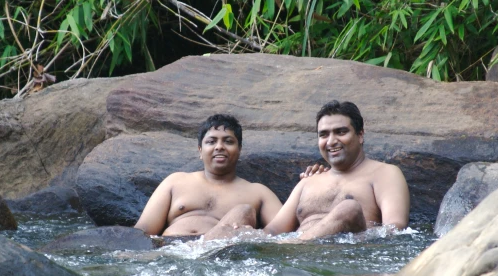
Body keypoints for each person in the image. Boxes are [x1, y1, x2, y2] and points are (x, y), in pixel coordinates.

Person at [264, 101, 409, 240]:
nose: (331, 141)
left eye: (340, 132)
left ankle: (298, 245)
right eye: (324, 135)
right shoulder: (308, 181)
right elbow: (272, 231)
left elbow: (394, 229)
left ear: (360, 135)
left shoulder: (385, 173)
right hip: (302, 259)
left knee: (349, 208)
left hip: (352, 253)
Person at [134, 114, 282, 240]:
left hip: (218, 255)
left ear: (239, 149)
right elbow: (143, 230)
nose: (219, 147)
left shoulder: (258, 192)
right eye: (211, 142)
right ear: (200, 150)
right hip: (170, 252)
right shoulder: (175, 181)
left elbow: (286, 234)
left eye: (228, 141)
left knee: (243, 210)